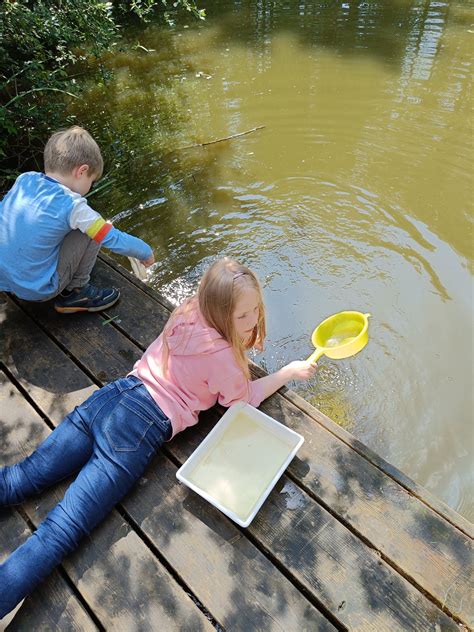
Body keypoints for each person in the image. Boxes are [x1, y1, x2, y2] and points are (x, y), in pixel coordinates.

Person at [0, 257, 317, 623]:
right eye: (244, 315)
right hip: (138, 428)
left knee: (25, 476)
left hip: (113, 395)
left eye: (256, 310)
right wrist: (286, 373)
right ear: (220, 311)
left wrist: (241, 334)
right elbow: (242, 400)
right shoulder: (225, 359)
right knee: (61, 530)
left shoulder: (189, 310)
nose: (253, 320)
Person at [0, 126, 154, 314]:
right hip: (36, 289)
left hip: (4, 278)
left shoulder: (26, 179)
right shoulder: (72, 206)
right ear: (81, 171)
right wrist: (145, 252)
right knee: (93, 230)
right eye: (92, 180)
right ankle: (77, 291)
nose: (90, 185)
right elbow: (112, 238)